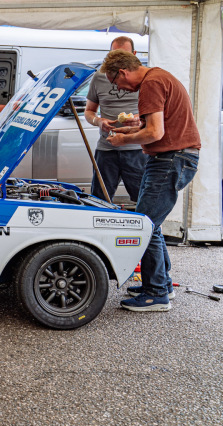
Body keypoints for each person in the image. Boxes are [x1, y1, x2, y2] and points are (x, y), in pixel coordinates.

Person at [102, 50, 201, 312]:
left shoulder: (151, 84)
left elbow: (156, 133)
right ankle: (162, 284)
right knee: (151, 224)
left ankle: (156, 294)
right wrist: (127, 130)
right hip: (174, 157)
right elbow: (156, 128)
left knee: (144, 226)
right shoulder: (160, 77)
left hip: (171, 158)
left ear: (122, 72)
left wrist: (123, 140)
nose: (119, 89)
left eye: (116, 83)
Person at [84, 37, 147, 202]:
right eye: (114, 55)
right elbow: (89, 111)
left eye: (123, 56)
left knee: (143, 199)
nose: (119, 62)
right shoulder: (99, 78)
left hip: (136, 149)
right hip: (107, 149)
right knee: (98, 200)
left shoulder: (144, 78)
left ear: (134, 55)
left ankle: (149, 228)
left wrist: (139, 120)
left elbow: (157, 114)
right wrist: (98, 121)